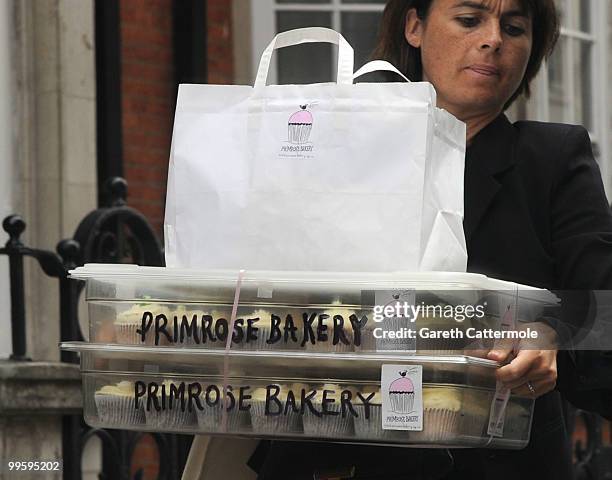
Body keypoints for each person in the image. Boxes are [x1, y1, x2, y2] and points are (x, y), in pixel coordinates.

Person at [250, 0, 612, 478]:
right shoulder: (333, 149)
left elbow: (602, 314)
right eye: (469, 20)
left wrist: (550, 334)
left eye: (515, 27)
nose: (493, 39)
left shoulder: (551, 161)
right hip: (327, 455)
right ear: (415, 26)